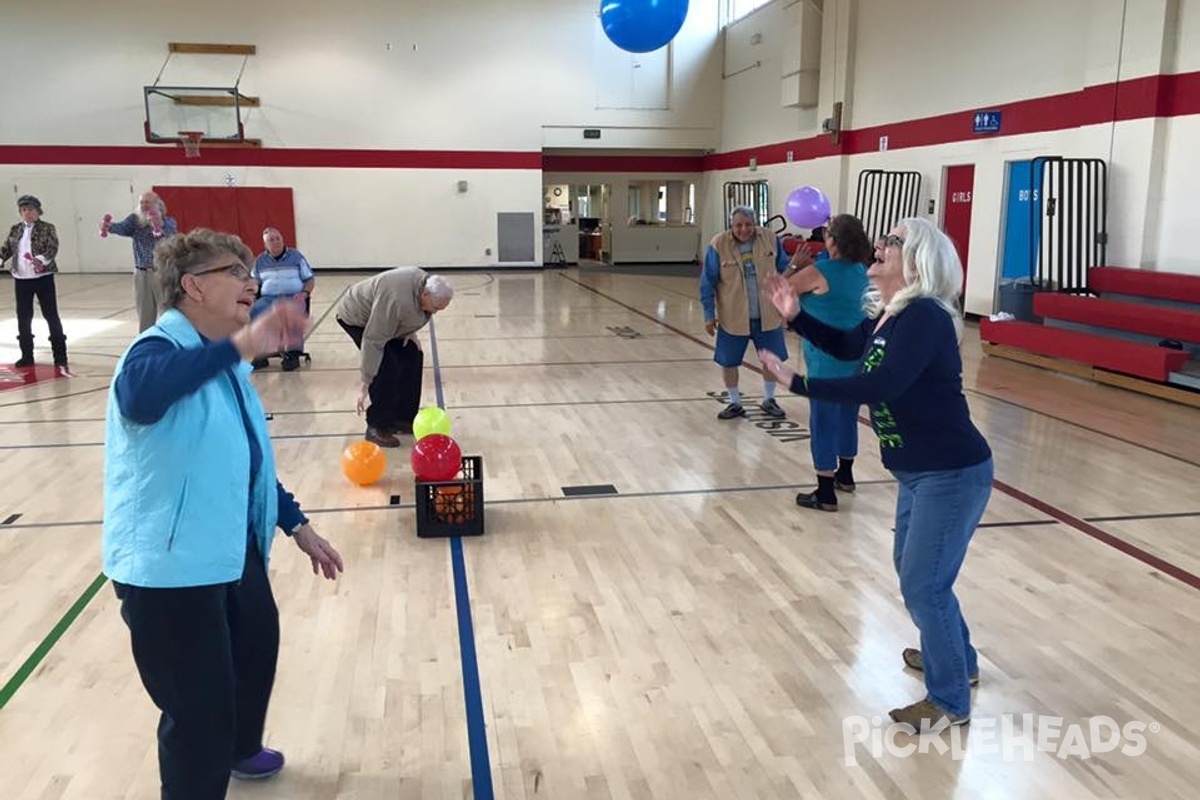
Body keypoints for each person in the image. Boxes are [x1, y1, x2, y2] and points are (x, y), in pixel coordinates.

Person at [102, 228, 344, 799]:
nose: (251, 282)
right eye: (234, 273)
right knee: (198, 711)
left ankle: (239, 750)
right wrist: (241, 345)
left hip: (233, 549)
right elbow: (140, 397)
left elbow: (248, 460)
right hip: (169, 571)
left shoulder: (224, 364)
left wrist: (295, 523)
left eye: (248, 272)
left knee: (257, 648)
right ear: (191, 286)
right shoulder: (153, 351)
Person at [758, 217, 993, 731]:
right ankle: (960, 660)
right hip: (919, 472)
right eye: (883, 240)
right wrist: (796, 317)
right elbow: (847, 349)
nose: (881, 246)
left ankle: (950, 698)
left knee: (923, 584)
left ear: (918, 260)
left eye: (893, 242)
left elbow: (880, 385)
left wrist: (799, 384)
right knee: (921, 577)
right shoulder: (892, 314)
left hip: (950, 472)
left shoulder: (926, 317)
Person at [784, 214, 872, 511]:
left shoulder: (819, 271)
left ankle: (825, 492)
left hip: (826, 360)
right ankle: (845, 475)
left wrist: (795, 265)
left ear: (832, 239)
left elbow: (780, 293)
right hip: (857, 357)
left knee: (823, 421)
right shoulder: (862, 270)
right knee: (848, 416)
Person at [699, 205, 803, 420]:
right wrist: (709, 315)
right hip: (733, 317)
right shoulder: (718, 244)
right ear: (731, 225)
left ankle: (769, 399)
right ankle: (735, 402)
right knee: (729, 362)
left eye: (748, 224)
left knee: (771, 360)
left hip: (768, 315)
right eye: (738, 225)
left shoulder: (771, 239)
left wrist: (788, 302)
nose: (743, 229)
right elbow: (707, 282)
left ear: (755, 224)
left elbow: (784, 271)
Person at [335, 267, 454, 447]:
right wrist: (365, 383)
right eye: (436, 307)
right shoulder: (397, 300)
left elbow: (411, 315)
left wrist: (409, 332)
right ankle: (377, 426)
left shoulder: (424, 287)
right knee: (386, 366)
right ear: (426, 295)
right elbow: (374, 339)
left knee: (412, 355)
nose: (435, 312)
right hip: (357, 316)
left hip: (383, 318)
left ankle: (402, 418)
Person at [1, 195, 69, 371]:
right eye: (23, 210)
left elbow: (52, 248)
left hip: (43, 278)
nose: (27, 213)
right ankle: (27, 355)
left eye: (30, 209)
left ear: (38, 211)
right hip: (21, 279)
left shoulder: (47, 228)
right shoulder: (16, 229)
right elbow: (7, 248)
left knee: (51, 315)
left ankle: (60, 356)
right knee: (23, 317)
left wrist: (40, 259)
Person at [101, 191, 179, 332]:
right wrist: (109, 226)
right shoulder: (135, 221)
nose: (144, 205)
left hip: (162, 273)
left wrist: (157, 224)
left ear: (157, 205)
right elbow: (122, 228)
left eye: (147, 202)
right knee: (145, 315)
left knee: (168, 312)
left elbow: (169, 234)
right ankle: (146, 344)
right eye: (142, 202)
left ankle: (172, 342)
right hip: (142, 274)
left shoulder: (169, 222)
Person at [250, 227, 315, 371]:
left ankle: (293, 353)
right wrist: (252, 293)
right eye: (271, 240)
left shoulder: (296, 257)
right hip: (268, 298)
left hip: (294, 296)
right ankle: (261, 353)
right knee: (254, 312)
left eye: (278, 238)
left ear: (282, 239)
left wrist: (304, 293)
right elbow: (254, 281)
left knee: (293, 311)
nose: (275, 242)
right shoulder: (259, 261)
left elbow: (310, 279)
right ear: (265, 244)